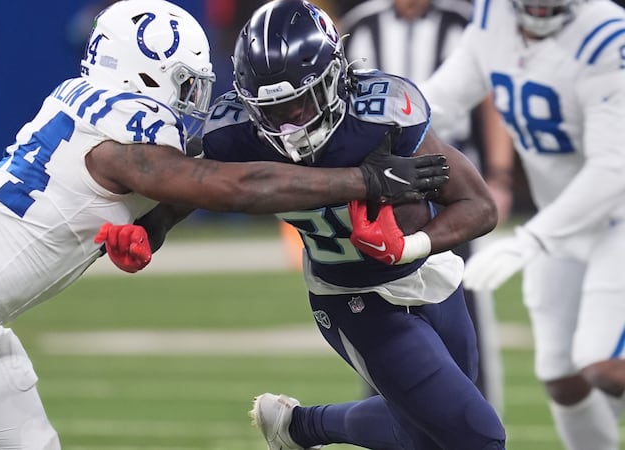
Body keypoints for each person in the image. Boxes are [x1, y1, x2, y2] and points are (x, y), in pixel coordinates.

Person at [0, 1, 450, 449]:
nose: (192, 97)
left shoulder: (80, 99)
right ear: (147, 72)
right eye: (184, 82)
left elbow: (188, 185)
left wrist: (150, 231)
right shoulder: (121, 137)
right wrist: (364, 180)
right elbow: (233, 186)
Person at [122, 1, 505, 448]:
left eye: (301, 102)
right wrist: (151, 229)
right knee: (478, 435)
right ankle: (302, 428)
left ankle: (297, 428)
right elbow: (200, 184)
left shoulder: (378, 117)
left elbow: (479, 206)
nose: (290, 123)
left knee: (424, 434)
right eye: (274, 110)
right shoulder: (236, 134)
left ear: (336, 79)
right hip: (353, 298)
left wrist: (410, 245)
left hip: (432, 278)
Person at [422, 0, 625, 448]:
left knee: (604, 365)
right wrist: (376, 132)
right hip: (558, 217)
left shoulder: (606, 33)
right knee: (561, 377)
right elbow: (440, 99)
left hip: (617, 213)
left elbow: (614, 168)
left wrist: (531, 238)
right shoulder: (494, 18)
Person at [339, 0, 514, 413]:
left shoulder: (464, 21)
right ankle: (391, 423)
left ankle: (478, 420)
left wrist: (500, 174)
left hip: (450, 188)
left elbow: (492, 96)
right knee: (380, 313)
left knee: (464, 313)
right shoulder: (360, 26)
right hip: (382, 195)